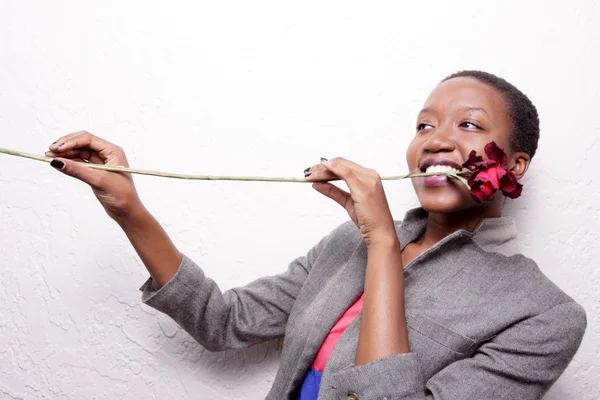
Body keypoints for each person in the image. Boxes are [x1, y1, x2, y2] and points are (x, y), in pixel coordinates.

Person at [45, 70, 586, 400]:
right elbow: (224, 322)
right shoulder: (344, 242)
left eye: (468, 125)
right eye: (424, 125)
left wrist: (381, 245)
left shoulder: (543, 316)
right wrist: (128, 206)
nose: (437, 140)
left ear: (514, 165)